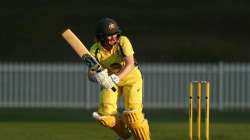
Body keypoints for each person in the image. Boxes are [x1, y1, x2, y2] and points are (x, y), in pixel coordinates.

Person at [88, 17, 150, 140]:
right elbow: (90, 74)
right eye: (109, 36)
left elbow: (130, 63)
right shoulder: (95, 50)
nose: (113, 38)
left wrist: (115, 78)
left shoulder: (123, 41)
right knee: (106, 114)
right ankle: (125, 135)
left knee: (134, 116)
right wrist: (97, 77)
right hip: (110, 81)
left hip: (131, 78)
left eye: (115, 34)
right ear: (101, 37)